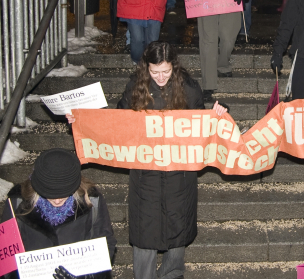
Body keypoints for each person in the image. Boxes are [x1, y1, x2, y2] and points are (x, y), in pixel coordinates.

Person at [67, 42, 228, 279]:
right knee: (145, 230)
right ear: (147, 68)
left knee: (177, 227)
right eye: (155, 72)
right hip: (146, 174)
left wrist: (219, 113)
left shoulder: (189, 88)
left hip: (179, 174)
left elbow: (202, 125)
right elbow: (116, 122)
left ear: (174, 66)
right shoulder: (136, 87)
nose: (161, 77)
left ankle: (172, 274)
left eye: (166, 71)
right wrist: (81, 119)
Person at [1, 148, 116, 279]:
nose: (57, 200)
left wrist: (86, 277)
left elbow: (105, 244)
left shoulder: (92, 201)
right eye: (49, 194)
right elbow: (5, 256)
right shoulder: (16, 204)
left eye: (64, 194)